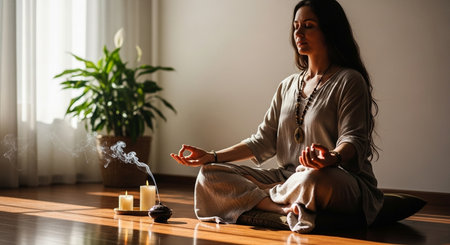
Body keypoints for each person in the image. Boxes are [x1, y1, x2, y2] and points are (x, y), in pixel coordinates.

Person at [170, 0, 383, 233]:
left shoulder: (349, 80)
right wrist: (211, 157)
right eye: (295, 26)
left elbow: (352, 140)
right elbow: (263, 141)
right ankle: (279, 208)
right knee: (209, 175)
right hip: (286, 179)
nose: (298, 33)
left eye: (308, 25)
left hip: (331, 178)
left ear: (330, 30)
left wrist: (330, 157)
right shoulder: (287, 86)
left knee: (312, 179)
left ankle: (259, 198)